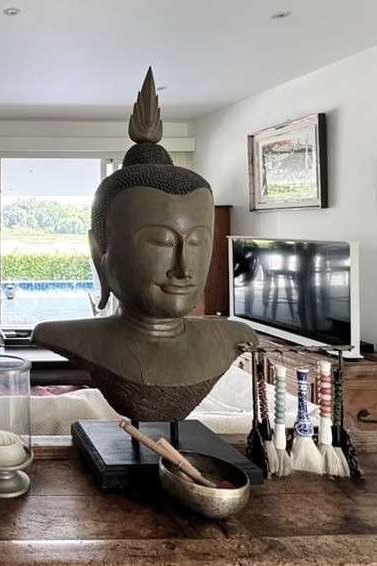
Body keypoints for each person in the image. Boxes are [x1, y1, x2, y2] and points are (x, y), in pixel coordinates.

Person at [32, 68, 256, 422]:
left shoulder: (232, 338)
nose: (183, 268)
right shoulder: (67, 337)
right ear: (99, 255)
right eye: (160, 242)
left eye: (197, 243)